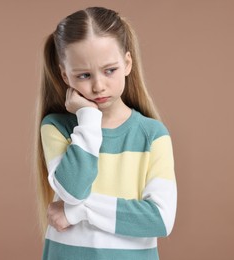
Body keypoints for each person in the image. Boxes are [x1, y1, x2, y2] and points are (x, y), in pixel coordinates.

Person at [34, 6, 177, 260]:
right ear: (65, 75)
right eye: (84, 75)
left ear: (127, 64)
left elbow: (160, 219)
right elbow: (73, 191)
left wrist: (77, 211)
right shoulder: (56, 127)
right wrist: (88, 119)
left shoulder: (152, 135)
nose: (98, 85)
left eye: (109, 70)